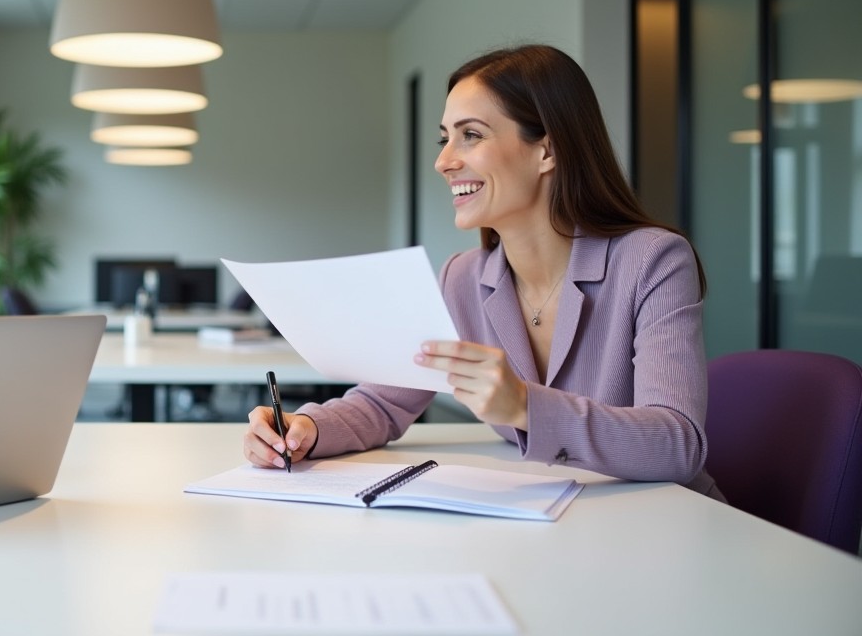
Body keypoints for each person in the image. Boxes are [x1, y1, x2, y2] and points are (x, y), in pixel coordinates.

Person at [243, 44, 722, 499]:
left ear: (547, 152)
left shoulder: (653, 261)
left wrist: (524, 406)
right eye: (445, 138)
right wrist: (306, 429)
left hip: (663, 529)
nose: (444, 161)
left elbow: (677, 445)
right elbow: (384, 401)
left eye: (470, 135)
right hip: (553, 526)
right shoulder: (463, 278)